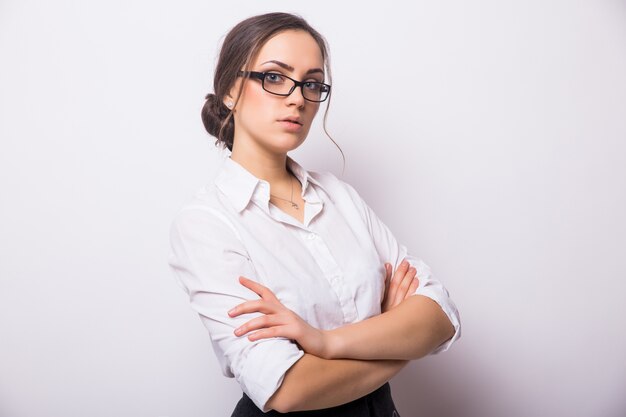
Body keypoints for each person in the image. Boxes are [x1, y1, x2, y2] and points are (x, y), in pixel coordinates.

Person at [168, 12, 461, 416]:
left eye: (311, 83)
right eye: (274, 77)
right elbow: (287, 389)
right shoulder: (207, 223)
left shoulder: (340, 197)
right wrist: (400, 345)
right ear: (230, 91)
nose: (297, 98)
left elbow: (441, 316)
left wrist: (325, 342)